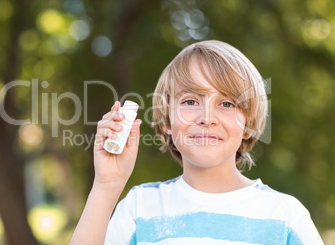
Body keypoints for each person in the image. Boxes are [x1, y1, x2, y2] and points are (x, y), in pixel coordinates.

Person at [70, 40, 324, 244]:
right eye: (190, 102)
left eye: (226, 103)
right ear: (167, 121)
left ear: (247, 124)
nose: (206, 118)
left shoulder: (286, 216)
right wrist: (106, 185)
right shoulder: (140, 209)